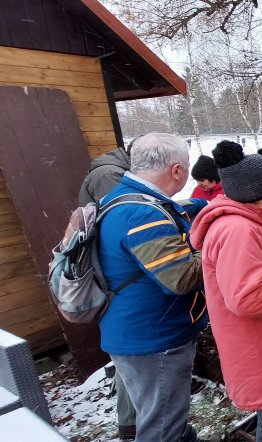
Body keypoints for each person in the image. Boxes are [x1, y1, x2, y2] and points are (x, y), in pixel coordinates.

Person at [97, 132, 208, 442]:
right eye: (185, 167)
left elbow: (174, 213)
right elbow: (182, 278)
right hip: (156, 339)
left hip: (135, 331)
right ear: (176, 170)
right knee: (162, 427)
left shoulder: (121, 198)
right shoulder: (143, 213)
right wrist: (208, 245)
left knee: (161, 413)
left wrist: (201, 207)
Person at [189, 141, 262, 441]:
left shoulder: (244, 224)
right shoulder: (239, 231)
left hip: (259, 350)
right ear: (256, 194)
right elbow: (247, 299)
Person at [77, 141, 136, 440]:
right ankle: (130, 424)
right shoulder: (110, 176)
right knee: (131, 353)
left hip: (115, 279)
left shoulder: (109, 171)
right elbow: (128, 221)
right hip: (117, 282)